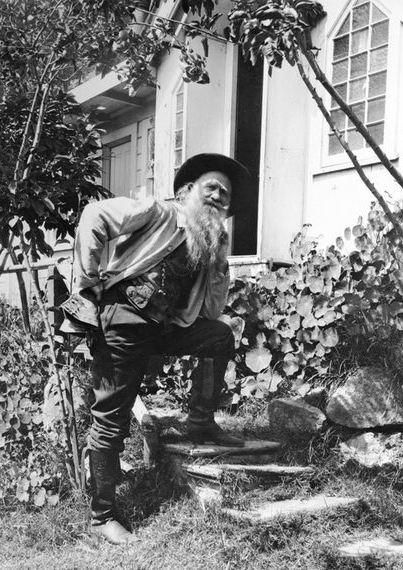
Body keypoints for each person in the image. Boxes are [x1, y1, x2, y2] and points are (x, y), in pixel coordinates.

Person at [60, 153, 252, 545]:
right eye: (210, 187)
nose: (218, 196)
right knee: (111, 418)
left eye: (225, 194)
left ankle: (201, 421)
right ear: (186, 191)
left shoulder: (206, 242)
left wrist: (219, 262)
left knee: (219, 335)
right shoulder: (160, 212)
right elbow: (95, 216)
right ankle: (103, 515)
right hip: (123, 324)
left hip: (162, 330)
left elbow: (211, 310)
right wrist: (87, 286)